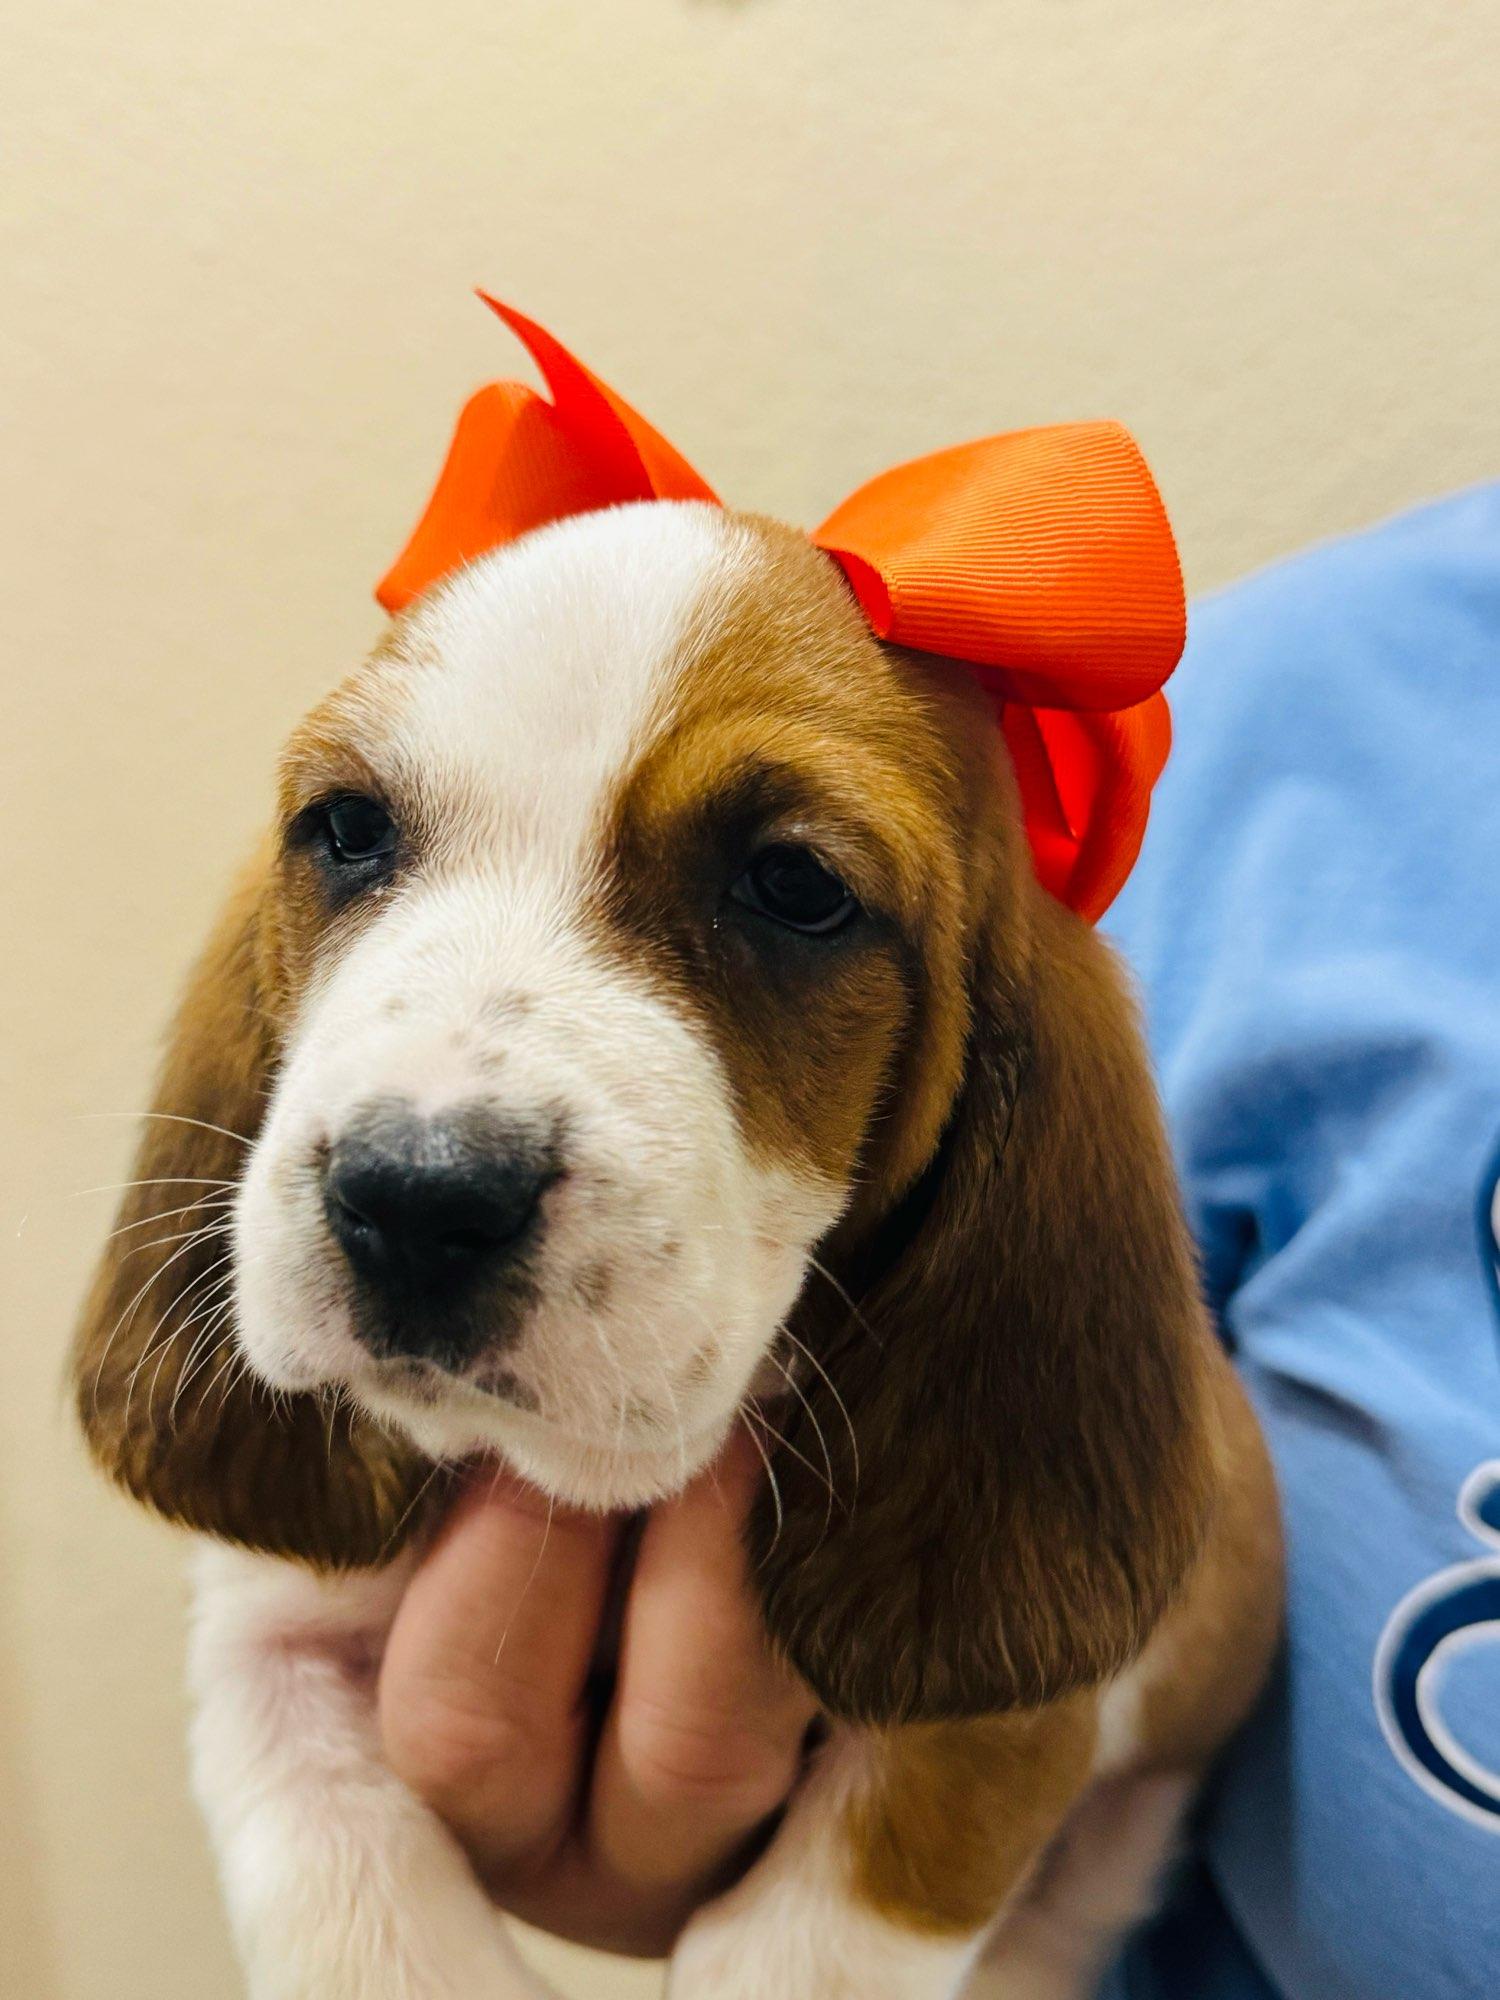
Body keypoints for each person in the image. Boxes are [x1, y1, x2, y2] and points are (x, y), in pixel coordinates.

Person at [378, 483, 1500, 1994]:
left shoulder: (1041, 1003)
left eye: (789, 886)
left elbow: (1090, 1557)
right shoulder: (1293, 740)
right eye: (354, 833)